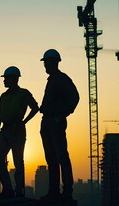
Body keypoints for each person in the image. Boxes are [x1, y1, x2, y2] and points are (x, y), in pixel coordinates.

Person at [39, 49, 79, 202]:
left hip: (55, 122)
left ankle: (66, 192)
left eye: (46, 63)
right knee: (51, 159)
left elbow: (74, 97)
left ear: (53, 63)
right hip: (48, 122)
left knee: (62, 157)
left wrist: (61, 115)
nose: (45, 66)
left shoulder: (62, 79)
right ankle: (54, 191)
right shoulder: (52, 80)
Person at [0, 66, 39, 198]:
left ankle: (19, 191)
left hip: (17, 130)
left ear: (14, 79)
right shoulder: (3, 96)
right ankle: (8, 189)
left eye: (6, 78)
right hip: (5, 130)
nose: (4, 81)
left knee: (18, 161)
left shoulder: (24, 93)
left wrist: (24, 122)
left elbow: (35, 108)